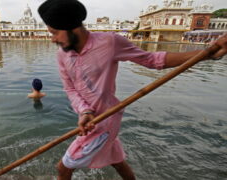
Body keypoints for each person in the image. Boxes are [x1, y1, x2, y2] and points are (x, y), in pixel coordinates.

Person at [37, 0, 227, 179]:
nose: (53, 39)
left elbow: (152, 60)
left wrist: (206, 54)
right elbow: (70, 89)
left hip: (107, 118)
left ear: (73, 28)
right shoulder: (62, 55)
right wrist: (84, 111)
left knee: (63, 168)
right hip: (90, 119)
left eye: (55, 32)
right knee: (117, 162)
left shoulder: (109, 42)